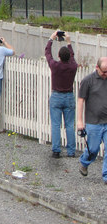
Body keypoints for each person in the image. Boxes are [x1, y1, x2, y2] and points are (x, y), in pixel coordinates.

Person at [45, 30, 78, 158]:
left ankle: (56, 150)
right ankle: (71, 151)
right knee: (69, 125)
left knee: (55, 124)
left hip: (56, 96)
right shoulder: (73, 66)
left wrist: (51, 39)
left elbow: (47, 53)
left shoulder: (55, 65)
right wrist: (69, 42)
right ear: (69, 56)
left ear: (59, 56)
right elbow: (73, 57)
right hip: (69, 96)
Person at [78, 57, 107, 181]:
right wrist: (79, 121)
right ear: (97, 68)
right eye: (104, 71)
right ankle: (84, 163)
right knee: (93, 150)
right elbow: (80, 101)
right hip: (93, 122)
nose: (106, 74)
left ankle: (106, 176)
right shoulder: (88, 81)